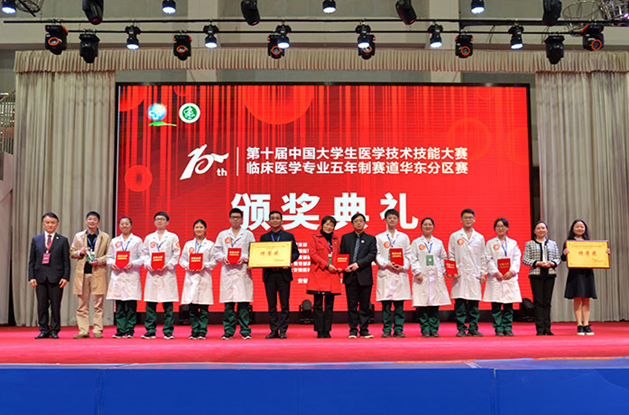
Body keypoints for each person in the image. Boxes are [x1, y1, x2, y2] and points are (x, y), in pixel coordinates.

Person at [214, 208, 256, 340]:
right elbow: (216, 252)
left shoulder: (248, 234)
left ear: (242, 219)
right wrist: (224, 257)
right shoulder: (223, 234)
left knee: (243, 304)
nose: (235, 219)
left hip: (242, 271)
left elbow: (253, 251)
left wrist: (244, 257)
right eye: (233, 217)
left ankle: (245, 331)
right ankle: (228, 331)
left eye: (238, 217)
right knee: (229, 304)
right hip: (228, 271)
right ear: (229, 219)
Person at [562, 219, 609, 336]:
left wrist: (605, 253)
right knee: (577, 298)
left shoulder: (589, 243)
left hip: (587, 273)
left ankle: (586, 324)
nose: (579, 229)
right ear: (573, 229)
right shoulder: (569, 243)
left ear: (585, 229)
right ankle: (579, 324)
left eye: (582, 227)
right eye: (577, 227)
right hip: (575, 274)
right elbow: (563, 259)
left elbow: (597, 256)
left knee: (586, 298)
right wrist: (564, 253)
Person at [28, 212, 70, 339]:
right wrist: (31, 277)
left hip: (57, 278)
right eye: (47, 222)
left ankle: (55, 330)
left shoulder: (62, 240)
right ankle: (44, 329)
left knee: (55, 306)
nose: (50, 225)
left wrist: (65, 277)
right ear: (43, 224)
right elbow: (32, 260)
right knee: (42, 305)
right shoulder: (36, 240)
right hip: (40, 277)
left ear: (57, 224)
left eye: (52, 222)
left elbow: (66, 261)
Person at [70, 211, 111, 339]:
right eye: (89, 219)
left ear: (98, 222)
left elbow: (110, 255)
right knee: (82, 304)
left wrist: (99, 261)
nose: (92, 221)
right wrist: (80, 252)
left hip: (98, 272)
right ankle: (83, 330)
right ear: (86, 221)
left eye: (94, 219)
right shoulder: (78, 236)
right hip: (82, 274)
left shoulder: (105, 237)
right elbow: (72, 252)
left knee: (98, 304)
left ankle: (98, 330)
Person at [448, 208, 488, 337]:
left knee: (474, 304)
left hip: (474, 273)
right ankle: (461, 328)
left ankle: (473, 328)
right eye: (465, 217)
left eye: (470, 217)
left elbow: (483, 256)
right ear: (461, 219)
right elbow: (451, 255)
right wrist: (452, 271)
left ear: (474, 219)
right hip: (460, 274)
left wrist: (483, 273)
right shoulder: (455, 236)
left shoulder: (479, 237)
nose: (468, 220)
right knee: (460, 304)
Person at [260, 210, 300, 339]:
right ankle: (273, 330)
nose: (275, 220)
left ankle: (283, 330)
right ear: (269, 221)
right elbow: (259, 254)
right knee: (271, 305)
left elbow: (296, 253)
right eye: (272, 218)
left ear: (282, 221)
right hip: (269, 274)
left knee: (284, 305)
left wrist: (289, 261)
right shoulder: (264, 237)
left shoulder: (289, 236)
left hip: (284, 274)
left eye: (277, 218)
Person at [142, 211, 181, 339]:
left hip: (167, 274)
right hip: (152, 274)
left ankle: (168, 331)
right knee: (151, 304)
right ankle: (150, 330)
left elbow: (176, 254)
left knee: (168, 304)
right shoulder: (149, 238)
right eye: (157, 219)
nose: (160, 221)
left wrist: (168, 265)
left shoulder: (173, 237)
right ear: (154, 222)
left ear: (167, 222)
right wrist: (148, 264)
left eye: (162, 219)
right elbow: (144, 254)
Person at [106, 216, 146, 338]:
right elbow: (109, 257)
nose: (124, 226)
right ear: (119, 226)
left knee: (131, 305)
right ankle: (120, 329)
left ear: (131, 225)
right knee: (119, 305)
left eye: (127, 224)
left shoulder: (137, 240)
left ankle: (130, 330)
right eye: (122, 224)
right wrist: (112, 264)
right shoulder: (114, 241)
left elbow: (143, 258)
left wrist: (132, 264)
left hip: (131, 275)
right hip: (118, 275)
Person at [375, 209, 412, 338]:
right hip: (386, 272)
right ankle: (386, 329)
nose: (392, 220)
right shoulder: (379, 237)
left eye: (394, 218)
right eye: (389, 218)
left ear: (397, 220)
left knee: (399, 305)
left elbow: (408, 254)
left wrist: (403, 266)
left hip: (399, 273)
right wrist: (387, 264)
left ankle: (398, 329)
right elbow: (377, 254)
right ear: (385, 220)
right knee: (386, 305)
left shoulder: (403, 237)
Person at [410, 217, 450, 337]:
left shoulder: (438, 242)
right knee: (422, 304)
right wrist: (417, 272)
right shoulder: (416, 242)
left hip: (436, 277)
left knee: (435, 304)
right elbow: (413, 258)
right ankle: (425, 329)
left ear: (433, 227)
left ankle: (434, 329)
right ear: (421, 227)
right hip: (422, 276)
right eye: (425, 224)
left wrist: (444, 271)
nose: (427, 226)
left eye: (430, 224)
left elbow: (443, 258)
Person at [340, 212, 377, 339]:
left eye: (361, 221)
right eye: (356, 221)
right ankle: (353, 330)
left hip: (364, 276)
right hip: (350, 276)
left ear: (365, 223)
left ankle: (364, 330)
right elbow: (342, 255)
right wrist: (344, 266)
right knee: (352, 305)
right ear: (352, 223)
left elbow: (372, 255)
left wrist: (358, 264)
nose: (359, 223)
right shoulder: (346, 238)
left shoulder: (371, 239)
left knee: (364, 305)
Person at [484, 218, 522, 337]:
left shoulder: (513, 243)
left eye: (503, 226)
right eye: (498, 226)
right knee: (496, 305)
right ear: (494, 229)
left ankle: (508, 327)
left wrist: (512, 271)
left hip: (509, 277)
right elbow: (488, 259)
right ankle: (498, 328)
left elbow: (517, 258)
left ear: (507, 228)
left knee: (508, 305)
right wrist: (495, 272)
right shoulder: (490, 243)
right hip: (496, 278)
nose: (500, 228)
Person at [179, 219, 217, 340]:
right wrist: (188, 266)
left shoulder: (210, 245)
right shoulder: (188, 244)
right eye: (196, 227)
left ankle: (202, 331)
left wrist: (204, 265)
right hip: (191, 277)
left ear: (205, 229)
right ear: (193, 229)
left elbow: (214, 261)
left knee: (204, 308)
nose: (199, 229)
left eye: (201, 227)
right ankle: (194, 330)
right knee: (193, 308)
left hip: (204, 277)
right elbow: (182, 260)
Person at [522, 221, 561, 336]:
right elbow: (525, 259)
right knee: (538, 302)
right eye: (538, 228)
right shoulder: (529, 244)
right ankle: (539, 328)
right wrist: (537, 263)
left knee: (547, 302)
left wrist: (553, 263)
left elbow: (558, 258)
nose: (541, 230)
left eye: (543, 228)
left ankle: (547, 328)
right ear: (534, 231)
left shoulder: (552, 244)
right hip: (536, 274)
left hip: (550, 273)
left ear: (546, 230)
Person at [307, 216, 342, 338]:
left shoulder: (336, 239)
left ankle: (327, 330)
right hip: (319, 273)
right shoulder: (315, 237)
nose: (329, 227)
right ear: (322, 225)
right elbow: (313, 254)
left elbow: (339, 255)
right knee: (317, 304)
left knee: (329, 304)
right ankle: (319, 330)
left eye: (331, 225)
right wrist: (326, 265)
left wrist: (340, 266)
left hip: (332, 274)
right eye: (327, 224)